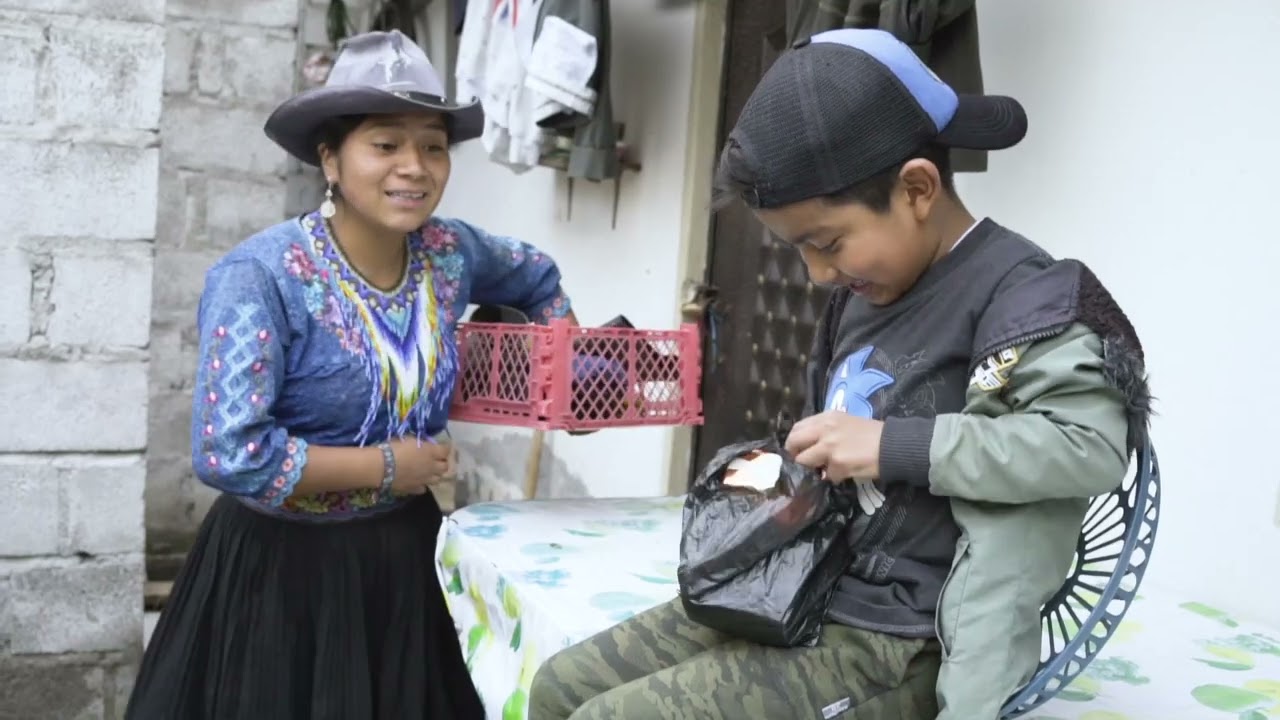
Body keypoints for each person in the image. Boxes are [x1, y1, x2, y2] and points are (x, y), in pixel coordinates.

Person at [527, 28, 1151, 720]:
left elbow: (1086, 447)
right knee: (558, 688)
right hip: (800, 584)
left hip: (899, 638)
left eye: (826, 244)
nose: (819, 274)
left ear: (917, 187)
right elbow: (838, 442)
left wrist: (893, 447)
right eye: (798, 251)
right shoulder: (857, 301)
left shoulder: (1027, 297)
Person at [127, 30, 579, 720]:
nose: (416, 167)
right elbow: (229, 451)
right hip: (279, 577)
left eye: (432, 145)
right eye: (386, 144)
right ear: (330, 158)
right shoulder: (262, 277)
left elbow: (537, 275)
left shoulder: (450, 255)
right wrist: (384, 466)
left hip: (404, 562)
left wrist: (564, 372)